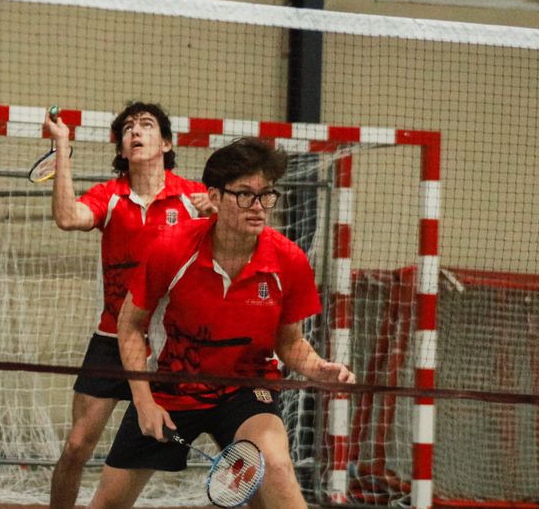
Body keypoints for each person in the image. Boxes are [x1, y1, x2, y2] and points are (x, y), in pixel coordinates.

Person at [89, 137, 355, 509]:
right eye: (244, 194)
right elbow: (130, 324)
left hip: (245, 388)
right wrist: (143, 401)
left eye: (266, 195)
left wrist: (317, 367)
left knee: (276, 469)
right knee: (109, 502)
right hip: (172, 385)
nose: (258, 206)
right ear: (214, 197)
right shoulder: (172, 247)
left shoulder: (289, 260)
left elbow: (289, 342)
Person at [43, 101, 214, 509]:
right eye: (128, 129)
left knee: (217, 429)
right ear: (121, 148)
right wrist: (62, 145)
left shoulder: (193, 198)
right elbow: (67, 217)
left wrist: (219, 213)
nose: (135, 132)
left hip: (172, 345)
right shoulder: (110, 196)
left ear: (166, 143)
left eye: (147, 125)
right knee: (76, 446)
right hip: (112, 338)